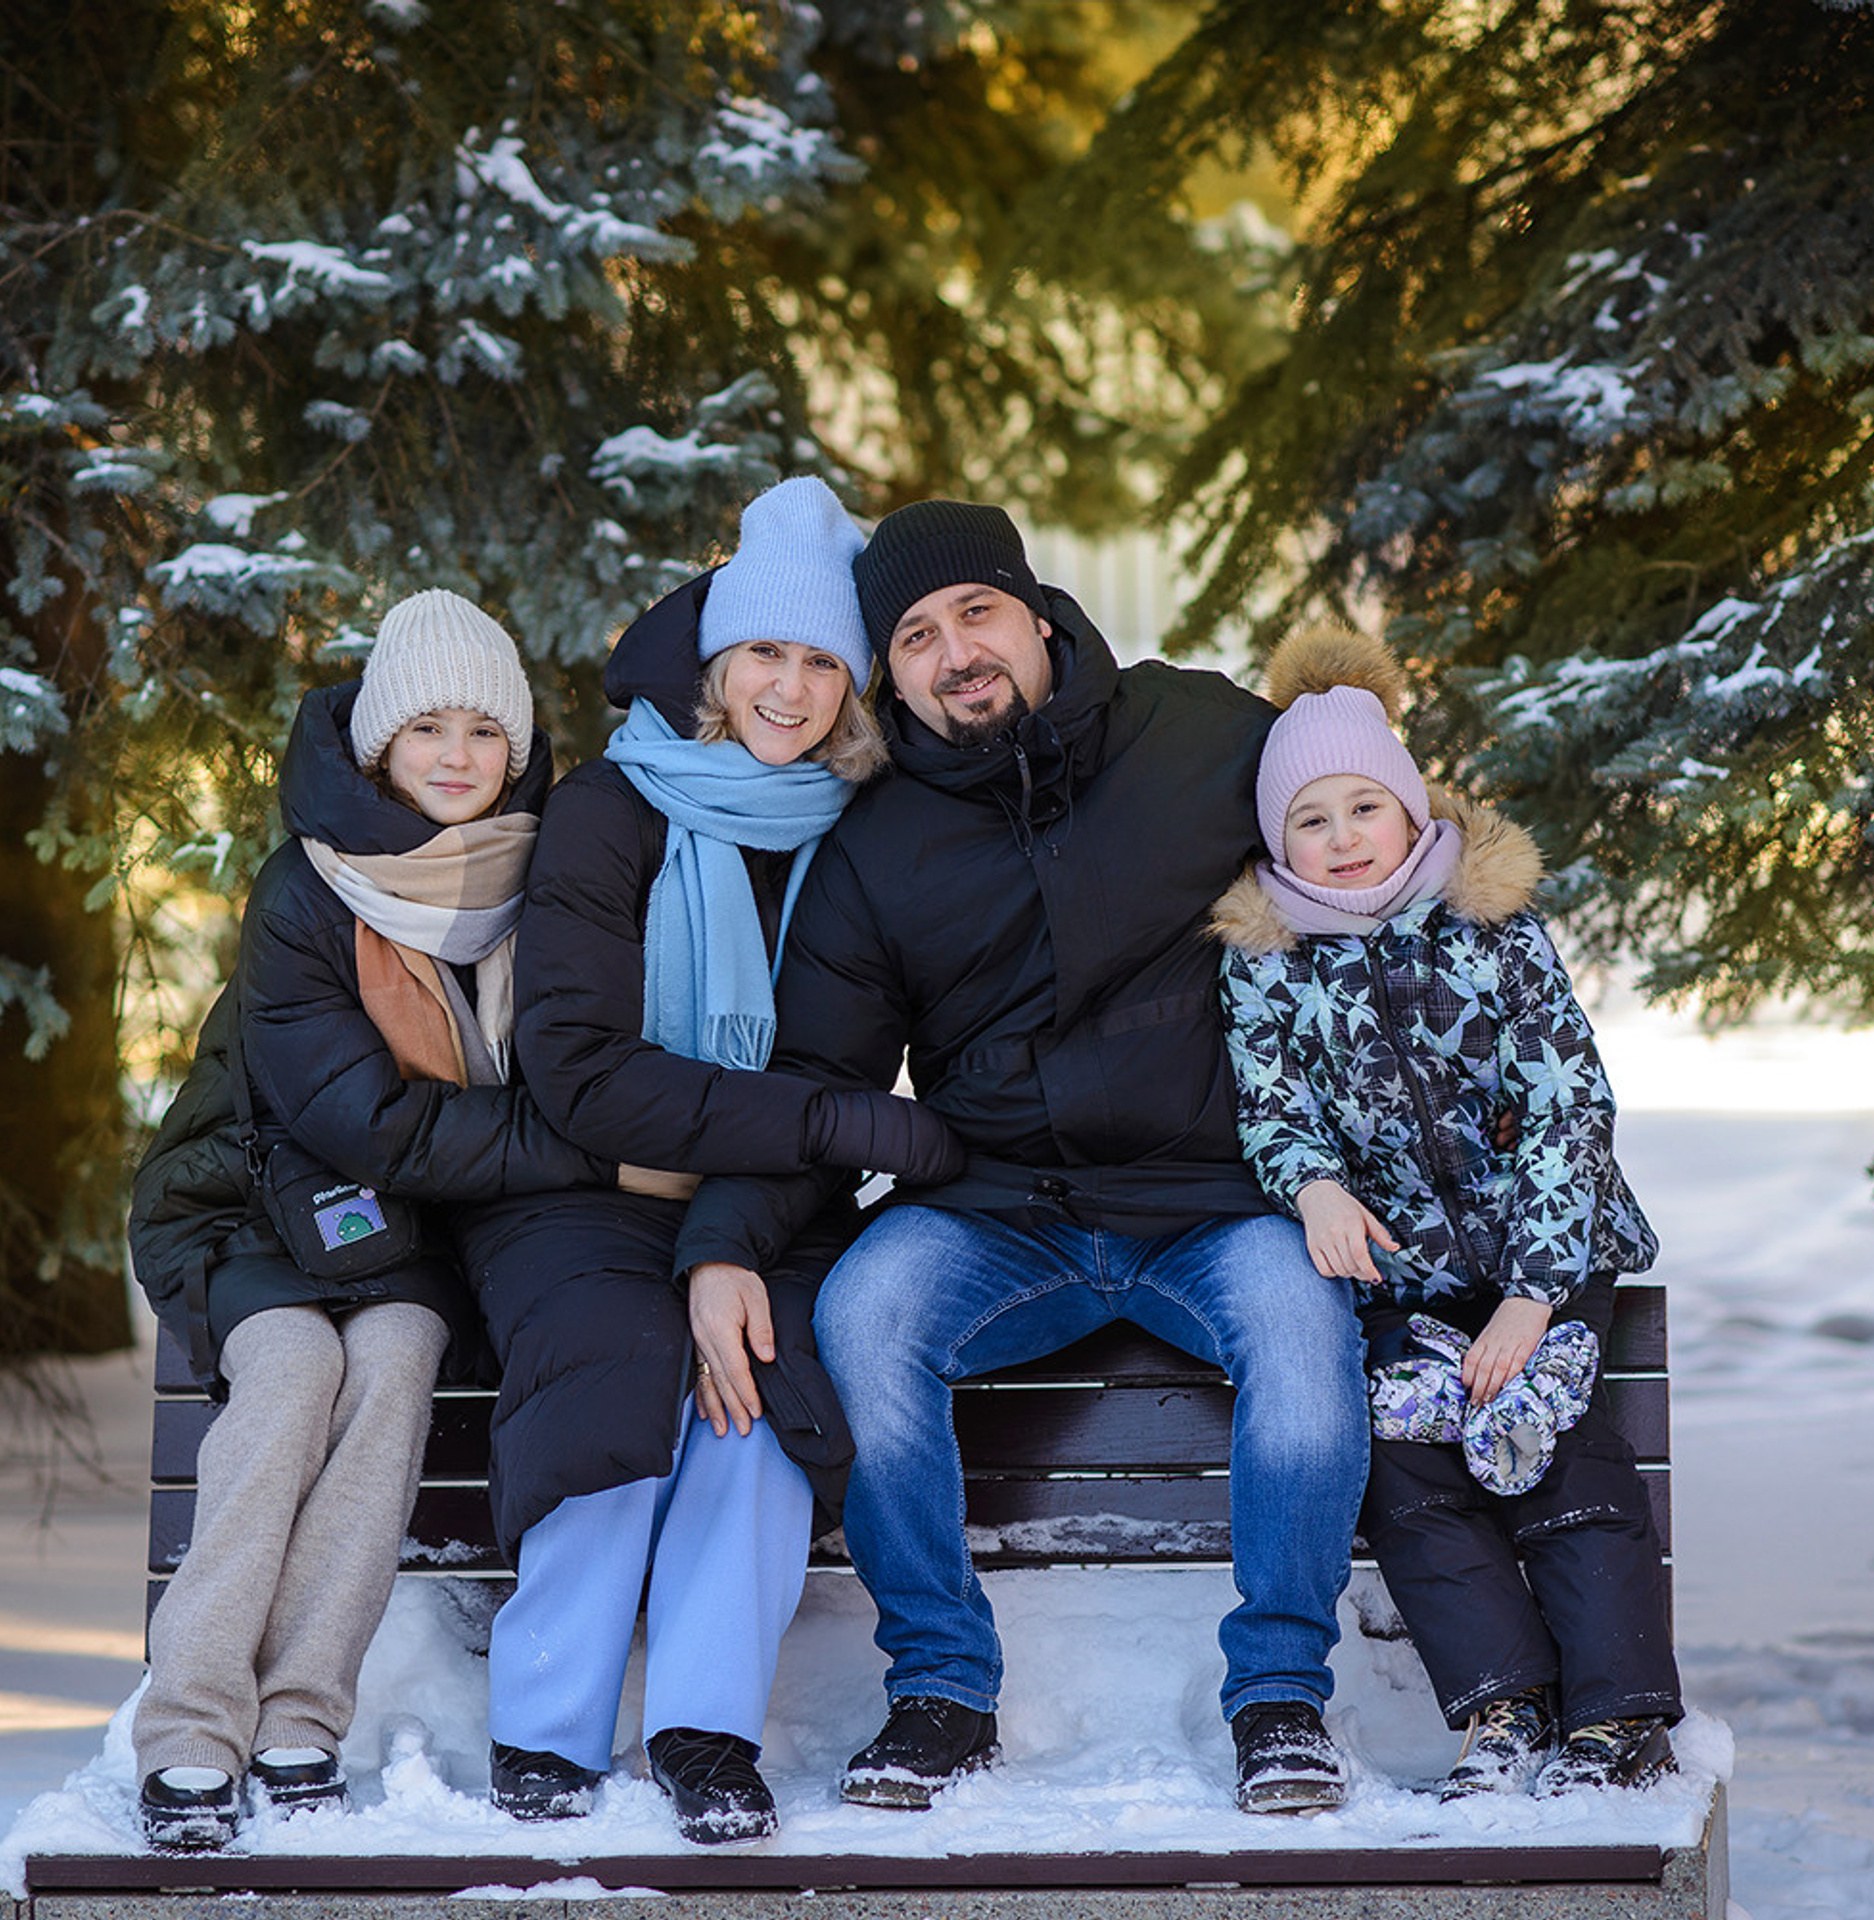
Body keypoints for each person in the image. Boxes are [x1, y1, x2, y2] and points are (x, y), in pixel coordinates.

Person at [674, 499, 1372, 1817]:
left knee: (1300, 1318)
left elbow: (1370, 842)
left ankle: (1280, 1692)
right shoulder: (876, 844)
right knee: (867, 1308)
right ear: (894, 673)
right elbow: (815, 1084)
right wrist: (721, 1242)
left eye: (975, 614)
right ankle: (940, 1686)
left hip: (1220, 1204)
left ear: (1036, 612)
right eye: (917, 638)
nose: (956, 654)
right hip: (1002, 1214)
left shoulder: (1205, 738)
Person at [461, 476, 963, 1845]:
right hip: (574, 1197)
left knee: (754, 1395)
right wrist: (840, 1125)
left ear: (854, 688)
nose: (789, 689)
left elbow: (835, 1058)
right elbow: (583, 1074)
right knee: (617, 1370)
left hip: (762, 1207)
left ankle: (705, 1732)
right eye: (764, 655)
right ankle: (547, 1730)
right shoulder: (612, 812)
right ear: (714, 665)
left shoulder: (856, 834)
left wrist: (728, 1232)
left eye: (820, 663)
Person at [126, 590, 614, 1851]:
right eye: (426, 730)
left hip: (414, 1231)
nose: (456, 757)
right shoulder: (309, 887)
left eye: (482, 731)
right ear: (377, 748)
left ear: (517, 746)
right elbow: (362, 1119)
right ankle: (188, 1726)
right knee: (290, 1374)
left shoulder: (552, 870)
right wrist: (570, 1148)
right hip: (251, 1201)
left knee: (394, 1366)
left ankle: (300, 1716)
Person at [1211, 622, 1683, 1798]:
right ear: (1279, 839)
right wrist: (1312, 1184)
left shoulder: (1488, 921)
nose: (1341, 839)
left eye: (1363, 807)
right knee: (1413, 1471)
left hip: (1548, 1247)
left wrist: (1533, 1297)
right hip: (1402, 1275)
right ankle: (1506, 1707)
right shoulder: (1267, 956)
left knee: (1549, 1443)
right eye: (1308, 820)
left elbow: (1570, 1100)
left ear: (1409, 806)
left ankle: (1617, 1716)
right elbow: (1270, 1106)